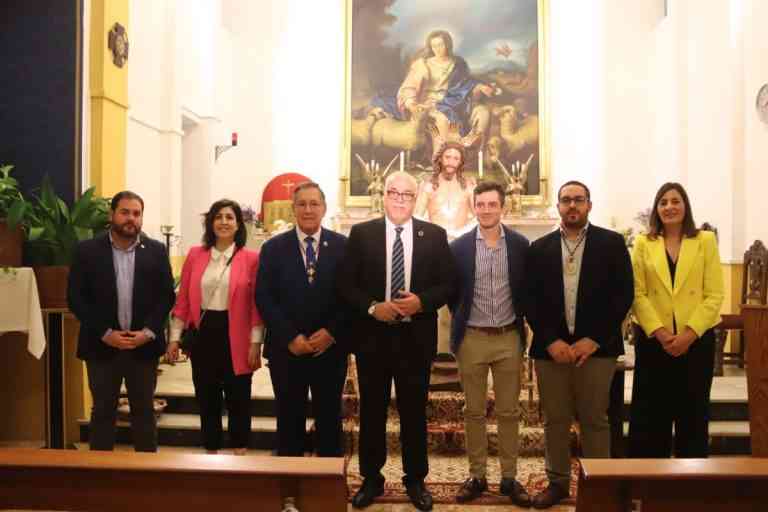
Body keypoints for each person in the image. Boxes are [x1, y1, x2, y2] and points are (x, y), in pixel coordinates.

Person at [338, 171, 456, 511]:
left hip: (415, 339)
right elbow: (346, 284)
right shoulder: (362, 234)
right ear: (384, 196)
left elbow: (448, 284)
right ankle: (371, 479)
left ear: (415, 198)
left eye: (407, 194)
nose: (400, 199)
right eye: (394, 192)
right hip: (372, 339)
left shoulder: (433, 235)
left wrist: (422, 302)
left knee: (414, 412)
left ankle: (415, 479)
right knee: (372, 411)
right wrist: (373, 308)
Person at [524, 181, 634, 509]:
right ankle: (557, 483)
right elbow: (530, 300)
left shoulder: (612, 244)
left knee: (595, 419)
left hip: (597, 350)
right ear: (557, 206)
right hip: (551, 351)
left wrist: (594, 339)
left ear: (589, 205)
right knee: (555, 419)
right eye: (566, 200)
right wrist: (550, 339)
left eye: (578, 200)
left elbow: (623, 295)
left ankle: (600, 484)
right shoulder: (539, 247)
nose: (572, 205)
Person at [68, 190, 175, 452]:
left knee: (144, 411)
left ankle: (148, 473)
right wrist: (106, 333)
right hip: (102, 345)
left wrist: (148, 332)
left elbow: (166, 297)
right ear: (112, 215)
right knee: (103, 410)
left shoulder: (157, 251)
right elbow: (76, 298)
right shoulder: (87, 251)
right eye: (125, 212)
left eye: (136, 213)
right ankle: (100, 474)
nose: (131, 219)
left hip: (143, 346)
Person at [448, 181, 531, 506]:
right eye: (480, 204)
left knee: (510, 411)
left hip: (509, 337)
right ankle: (477, 475)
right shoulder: (460, 248)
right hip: (472, 337)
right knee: (474, 411)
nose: (485, 210)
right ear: (473, 208)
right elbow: (454, 294)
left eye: (491, 204)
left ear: (502, 207)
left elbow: (527, 288)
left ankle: (509, 477)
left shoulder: (521, 245)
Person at [628, 182, 724, 458]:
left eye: (675, 201)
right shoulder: (644, 243)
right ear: (656, 209)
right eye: (663, 202)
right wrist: (659, 332)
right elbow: (637, 292)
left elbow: (714, 294)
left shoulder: (705, 241)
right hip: (654, 342)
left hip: (694, 342)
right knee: (651, 417)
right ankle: (650, 487)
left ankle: (690, 489)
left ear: (685, 206)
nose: (669, 207)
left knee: (692, 414)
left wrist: (689, 334)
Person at [255, 182, 349, 458]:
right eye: (302, 204)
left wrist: (332, 332)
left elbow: (351, 296)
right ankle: (290, 491)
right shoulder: (273, 248)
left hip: (329, 351)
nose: (308, 209)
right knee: (288, 421)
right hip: (287, 351)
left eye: (314, 204)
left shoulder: (343, 246)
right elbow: (264, 297)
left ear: (324, 208)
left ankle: (326, 489)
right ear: (293, 208)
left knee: (330, 421)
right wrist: (289, 337)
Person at [167, 199, 263, 455]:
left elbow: (257, 305)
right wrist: (174, 338)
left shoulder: (252, 258)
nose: (223, 222)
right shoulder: (195, 255)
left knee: (238, 396)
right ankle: (211, 448)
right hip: (204, 333)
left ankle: (240, 448)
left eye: (229, 217)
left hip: (238, 335)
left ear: (238, 224)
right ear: (210, 222)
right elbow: (184, 299)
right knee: (207, 395)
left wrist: (256, 342)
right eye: (218, 217)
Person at [372, 30, 494, 145]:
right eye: (434, 46)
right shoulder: (423, 64)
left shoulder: (458, 64)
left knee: (482, 112)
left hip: (452, 101)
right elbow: (409, 87)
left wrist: (479, 86)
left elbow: (465, 83)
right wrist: (412, 104)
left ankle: (467, 147)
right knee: (443, 119)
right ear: (430, 47)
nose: (437, 49)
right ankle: (443, 156)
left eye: (441, 44)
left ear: (448, 44)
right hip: (426, 102)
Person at [415, 141, 476, 236]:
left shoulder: (468, 187)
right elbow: (417, 217)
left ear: (460, 162)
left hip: (461, 240)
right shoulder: (428, 186)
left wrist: (465, 233)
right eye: (447, 157)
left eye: (456, 158)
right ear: (440, 159)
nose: (451, 162)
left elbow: (479, 217)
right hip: (435, 240)